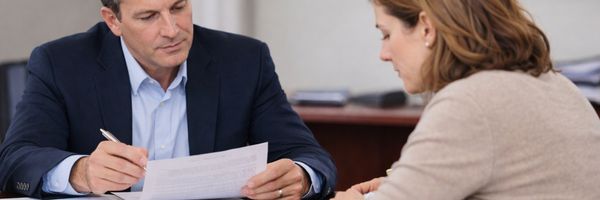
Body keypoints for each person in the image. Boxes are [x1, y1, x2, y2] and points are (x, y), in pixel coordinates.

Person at [0, 0, 336, 199]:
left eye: (179, 6)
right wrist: (82, 173)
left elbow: (308, 156)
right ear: (113, 20)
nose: (172, 29)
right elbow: (16, 161)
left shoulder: (244, 60)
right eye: (149, 16)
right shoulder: (61, 63)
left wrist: (301, 176)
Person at [333, 0, 600, 199]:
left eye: (386, 34)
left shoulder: (468, 102)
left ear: (427, 28)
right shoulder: (557, 84)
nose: (384, 53)